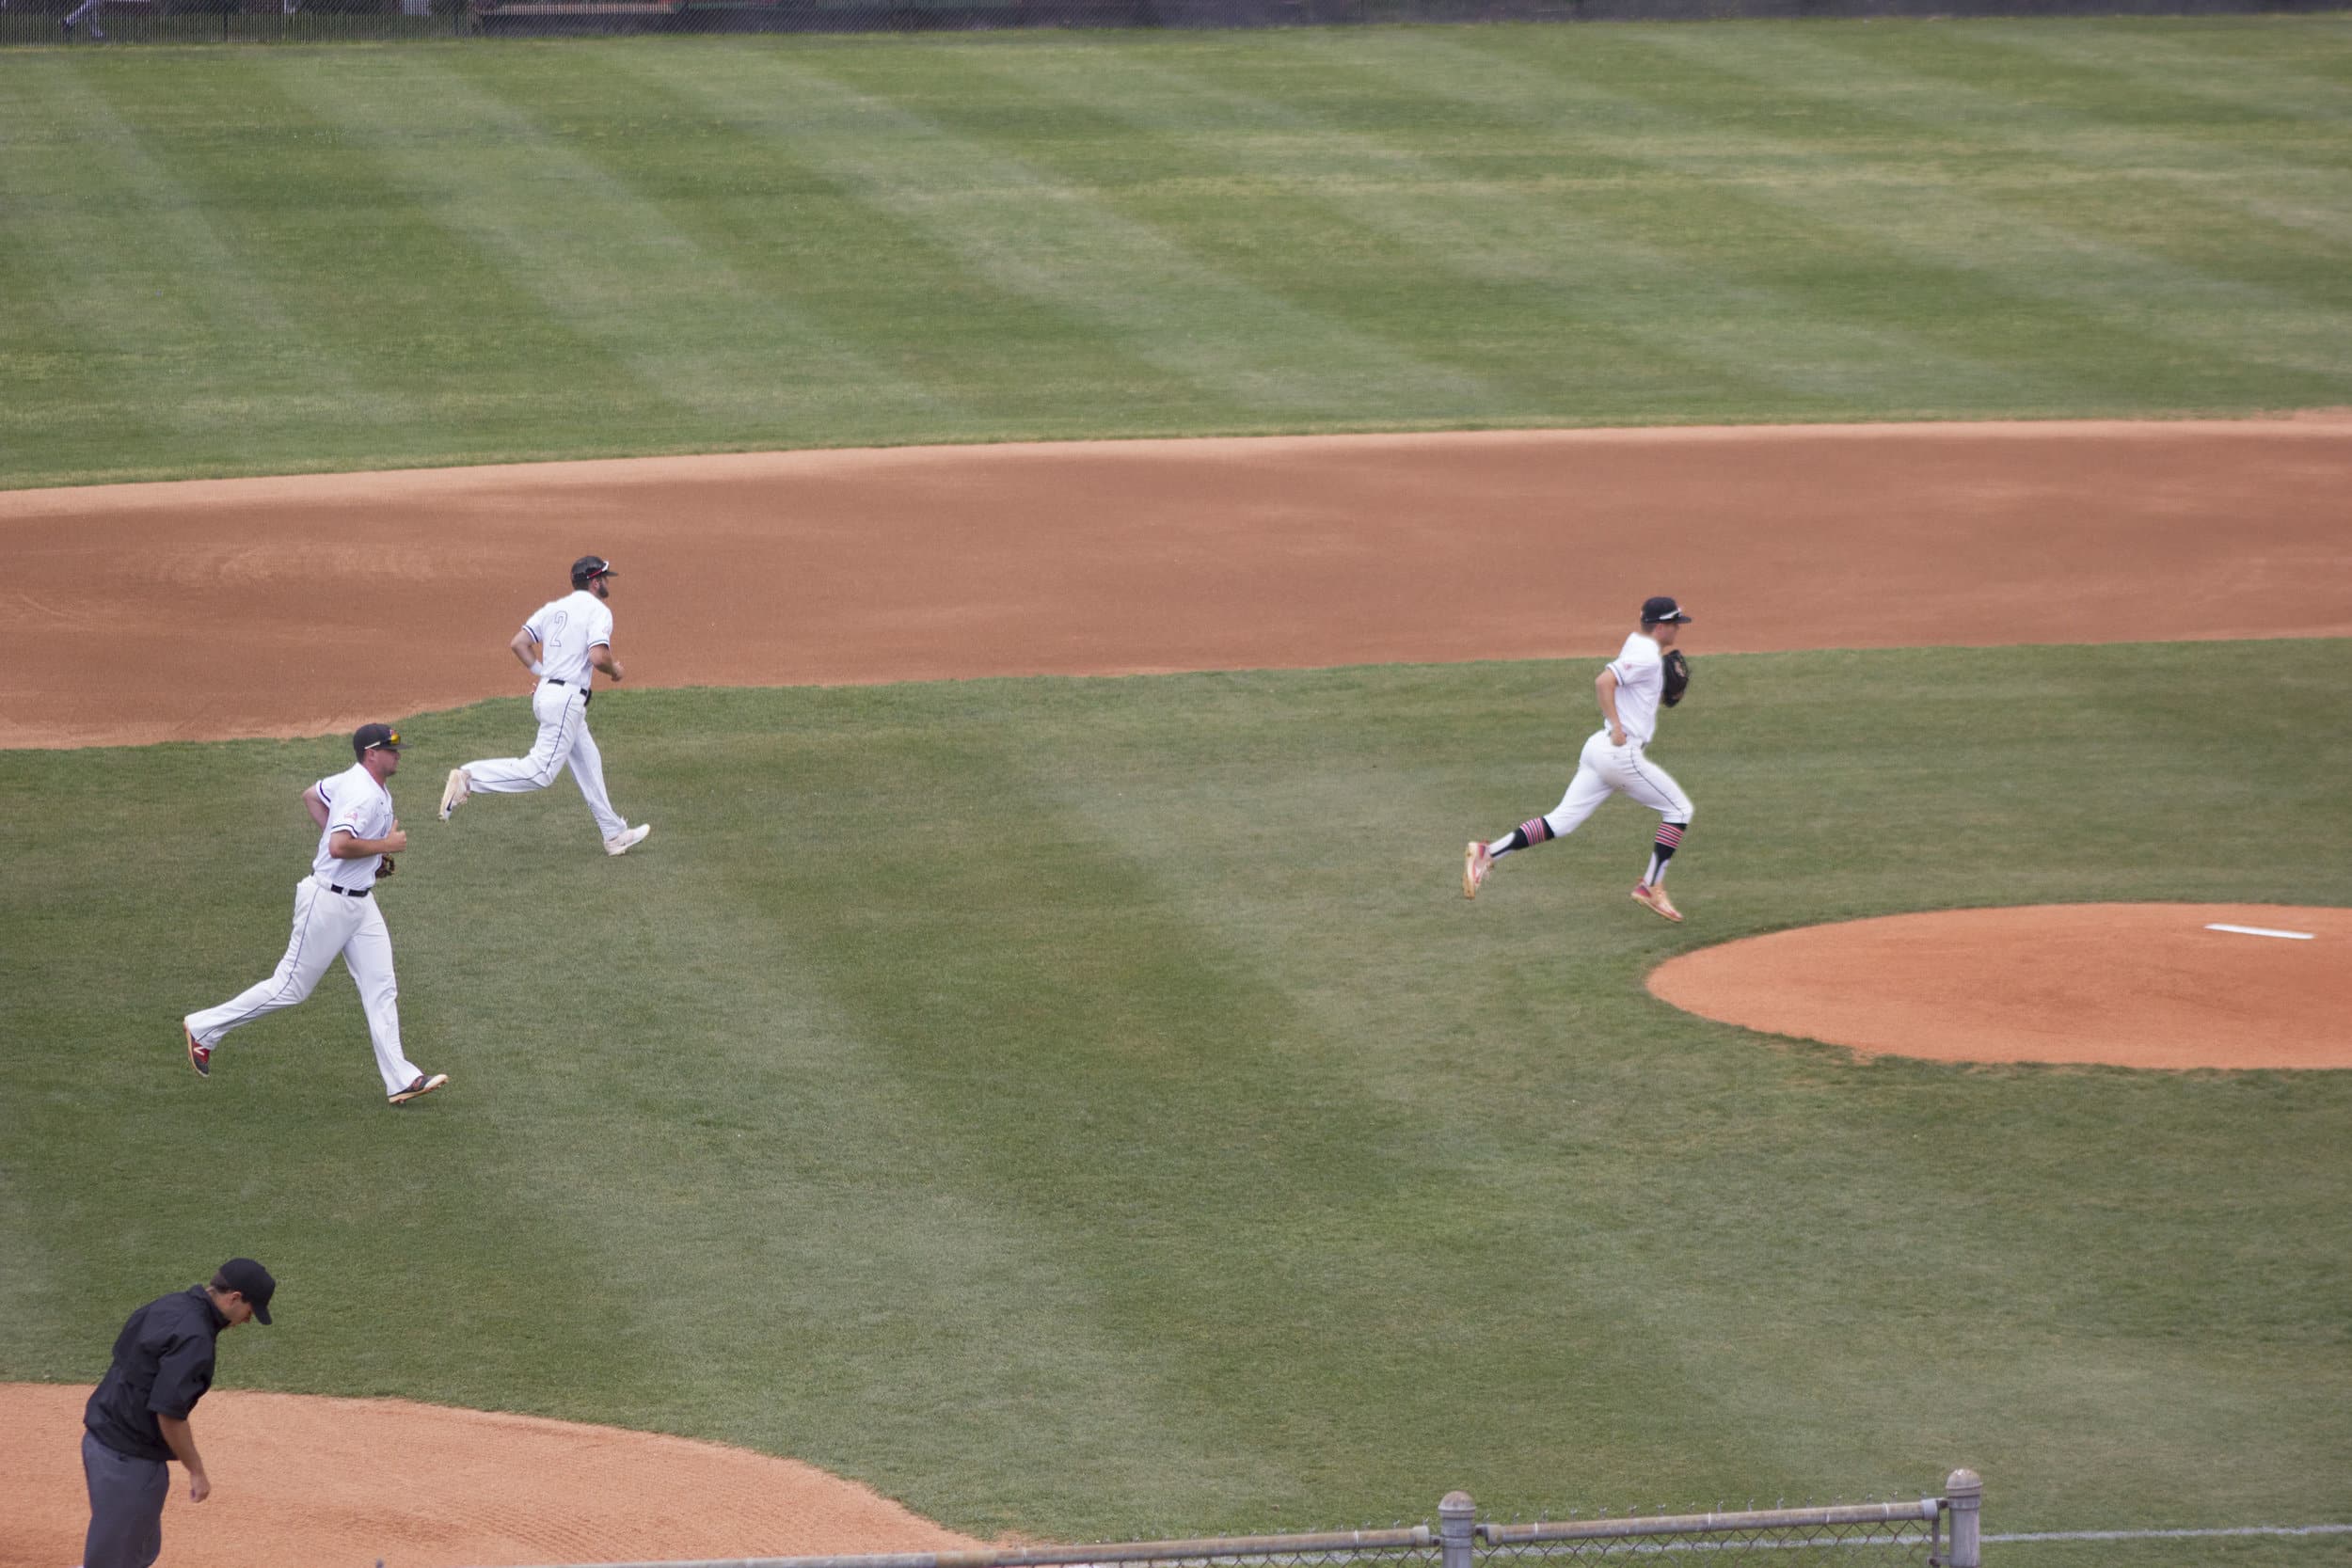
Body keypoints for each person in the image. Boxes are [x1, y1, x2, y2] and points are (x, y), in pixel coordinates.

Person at [182, 723, 448, 1105]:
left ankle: (401, 1079)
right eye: (390, 750)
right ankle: (203, 1028)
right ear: (371, 754)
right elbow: (339, 846)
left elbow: (312, 796)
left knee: (382, 986)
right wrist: (385, 845)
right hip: (327, 902)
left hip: (360, 904)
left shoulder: (358, 782)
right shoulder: (362, 792)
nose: (398, 754)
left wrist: (372, 859)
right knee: (290, 987)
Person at [1463, 595, 1698, 922]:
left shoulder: (1637, 643)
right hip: (1619, 753)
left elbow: (1633, 689)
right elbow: (1604, 682)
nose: (1678, 630)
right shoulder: (1646, 656)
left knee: (1561, 821)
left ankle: (1488, 853)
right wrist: (1618, 725)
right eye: (1674, 624)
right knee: (1679, 810)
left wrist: (1654, 691)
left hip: (1598, 751)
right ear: (1661, 626)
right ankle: (1650, 885)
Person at [438, 554, 652, 857]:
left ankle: (614, 833)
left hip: (551, 696)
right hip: (566, 700)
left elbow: (519, 643)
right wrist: (616, 670)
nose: (607, 583)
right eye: (604, 578)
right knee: (541, 772)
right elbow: (599, 657)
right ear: (594, 582)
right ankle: (470, 777)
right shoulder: (598, 611)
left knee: (589, 762)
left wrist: (543, 674)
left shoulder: (553, 609)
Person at [81, 1259, 276, 1568]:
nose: (248, 1320)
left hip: (99, 1439)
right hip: (128, 1459)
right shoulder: (196, 1339)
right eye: (251, 1311)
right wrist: (196, 1470)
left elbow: (123, 1352)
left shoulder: (169, 1304)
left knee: (138, 1548)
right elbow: (169, 1413)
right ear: (234, 1298)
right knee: (116, 1559)